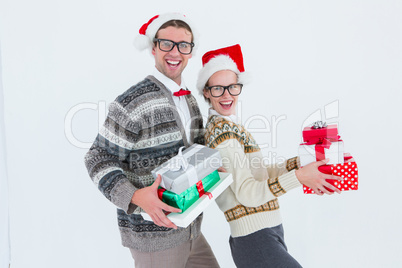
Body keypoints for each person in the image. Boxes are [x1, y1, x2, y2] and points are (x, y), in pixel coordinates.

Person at [84, 13, 219, 268]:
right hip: (153, 238)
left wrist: (211, 166)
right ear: (154, 47)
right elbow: (97, 157)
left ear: (190, 52)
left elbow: (193, 153)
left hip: (191, 230)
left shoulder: (189, 100)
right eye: (167, 43)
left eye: (183, 45)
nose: (175, 52)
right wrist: (135, 196)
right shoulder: (132, 101)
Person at [198, 44, 342, 268]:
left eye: (232, 87)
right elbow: (246, 193)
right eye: (218, 88)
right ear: (206, 92)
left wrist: (300, 164)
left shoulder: (230, 126)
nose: (226, 95)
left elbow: (260, 173)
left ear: (239, 87)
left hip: (265, 233)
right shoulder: (222, 132)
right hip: (255, 238)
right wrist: (300, 177)